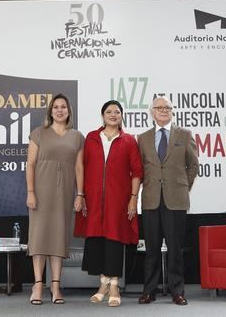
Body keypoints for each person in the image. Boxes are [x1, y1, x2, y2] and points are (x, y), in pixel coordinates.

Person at [74, 100, 143, 307]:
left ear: (122, 116)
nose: (113, 114)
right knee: (98, 242)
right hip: (94, 200)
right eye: (109, 111)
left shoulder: (129, 141)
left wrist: (133, 198)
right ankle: (103, 284)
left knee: (114, 240)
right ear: (102, 116)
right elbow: (82, 168)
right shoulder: (92, 138)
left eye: (117, 111)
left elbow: (137, 172)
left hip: (119, 201)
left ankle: (113, 287)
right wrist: (82, 195)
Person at [137, 96, 199, 306]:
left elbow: (193, 166)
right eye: (159, 107)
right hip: (151, 200)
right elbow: (140, 169)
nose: (163, 110)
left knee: (175, 249)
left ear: (172, 111)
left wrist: (183, 187)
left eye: (167, 107)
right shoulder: (142, 138)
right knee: (151, 250)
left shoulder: (184, 134)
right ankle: (149, 291)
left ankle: (177, 291)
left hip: (176, 200)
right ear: (151, 112)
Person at [25, 93, 85, 305]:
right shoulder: (38, 133)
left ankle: (56, 287)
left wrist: (80, 194)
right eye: (56, 107)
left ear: (69, 111)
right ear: (50, 111)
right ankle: (38, 285)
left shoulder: (77, 136)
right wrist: (30, 192)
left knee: (59, 238)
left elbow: (79, 167)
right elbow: (30, 165)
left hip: (66, 193)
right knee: (39, 237)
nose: (60, 110)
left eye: (63, 107)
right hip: (41, 192)